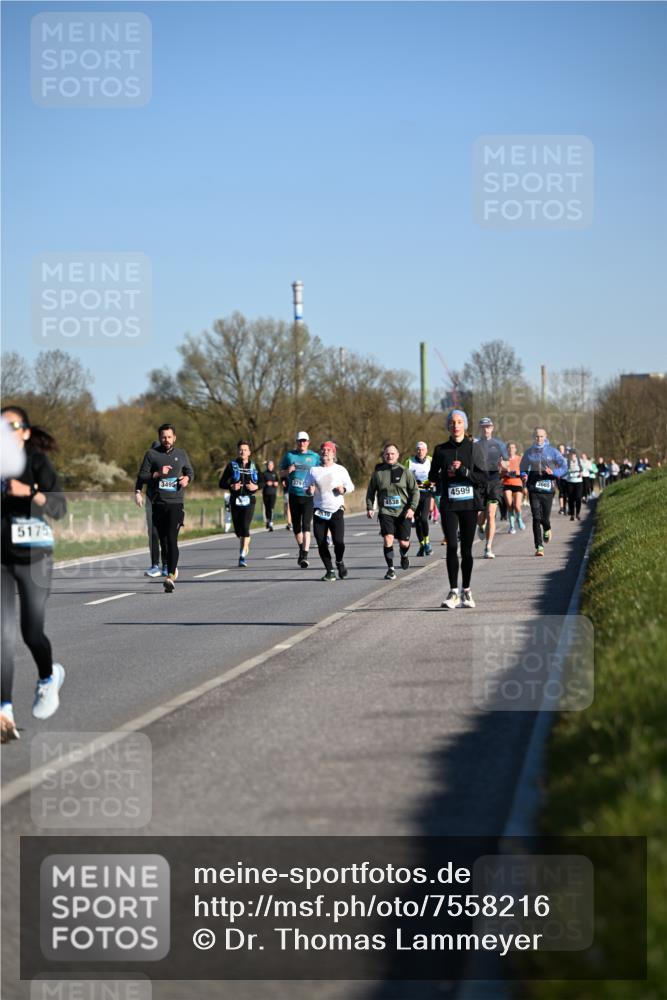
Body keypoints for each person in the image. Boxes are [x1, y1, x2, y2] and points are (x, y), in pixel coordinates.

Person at [1, 406, 67, 743]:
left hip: (34, 558)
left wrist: (29, 492)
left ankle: (47, 677)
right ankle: (5, 712)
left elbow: (59, 507)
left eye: (12, 426)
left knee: (30, 632)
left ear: (25, 431)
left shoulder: (37, 461)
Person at [429, 409, 484, 608]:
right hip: (449, 505)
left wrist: (463, 471)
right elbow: (432, 477)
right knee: (452, 546)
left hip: (469, 505)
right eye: (452, 422)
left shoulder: (474, 449)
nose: (456, 425)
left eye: (459, 422)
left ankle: (466, 591)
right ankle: (453, 592)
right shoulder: (440, 449)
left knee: (467, 550)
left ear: (465, 425)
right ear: (448, 426)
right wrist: (446, 473)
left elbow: (482, 479)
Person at [136, 423, 193, 593]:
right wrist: (157, 474)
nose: (166, 440)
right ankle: (167, 566)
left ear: (174, 437)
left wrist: (187, 479)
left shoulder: (181, 454)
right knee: (163, 540)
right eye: (163, 437)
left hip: (176, 502)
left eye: (169, 437)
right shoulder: (152, 454)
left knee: (172, 538)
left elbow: (190, 471)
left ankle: (170, 576)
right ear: (159, 437)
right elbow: (142, 475)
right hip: (158, 503)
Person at [366, 444, 419, 580]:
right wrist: (370, 507)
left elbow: (415, 491)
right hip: (386, 512)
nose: (389, 456)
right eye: (387, 454)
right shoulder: (378, 473)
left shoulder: (405, 472)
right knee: (388, 538)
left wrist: (412, 508)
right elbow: (371, 491)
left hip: (403, 512)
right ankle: (390, 569)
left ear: (398, 455)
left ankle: (404, 554)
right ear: (383, 456)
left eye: (392, 454)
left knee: (403, 543)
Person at [304, 441, 355, 581]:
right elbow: (305, 487)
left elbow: (351, 486)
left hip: (336, 510)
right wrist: (309, 490)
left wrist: (343, 490)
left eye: (328, 450)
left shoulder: (340, 470)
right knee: (321, 543)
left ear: (333, 454)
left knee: (339, 542)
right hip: (319, 511)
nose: (325, 452)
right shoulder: (313, 470)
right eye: (323, 450)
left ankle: (339, 561)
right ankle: (330, 570)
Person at [520, 427, 567, 556]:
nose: (539, 439)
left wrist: (555, 472)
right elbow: (523, 467)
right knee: (536, 517)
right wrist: (523, 475)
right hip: (533, 487)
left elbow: (564, 467)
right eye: (536, 436)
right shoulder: (529, 452)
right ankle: (539, 546)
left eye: (541, 436)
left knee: (544, 518)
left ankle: (547, 527)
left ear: (545, 437)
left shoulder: (553, 452)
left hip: (548, 488)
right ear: (533, 437)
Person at [279, 431, 320, 568]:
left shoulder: (314, 457)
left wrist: (314, 486)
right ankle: (302, 548)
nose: (302, 443)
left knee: (306, 526)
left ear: (308, 442)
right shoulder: (289, 455)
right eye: (299, 441)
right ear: (296, 442)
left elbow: (321, 473)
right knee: (297, 528)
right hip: (294, 495)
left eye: (304, 441)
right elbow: (280, 473)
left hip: (308, 496)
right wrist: (287, 472)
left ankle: (305, 555)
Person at [219, 441, 260, 566]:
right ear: (238, 451)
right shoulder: (232, 465)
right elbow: (221, 483)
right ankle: (245, 541)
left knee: (245, 528)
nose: (243, 452)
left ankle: (242, 556)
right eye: (240, 449)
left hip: (249, 500)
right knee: (238, 531)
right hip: (235, 500)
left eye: (245, 449)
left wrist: (256, 486)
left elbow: (263, 481)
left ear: (249, 452)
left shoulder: (254, 466)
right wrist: (231, 486)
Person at [474, 417, 508, 559]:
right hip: (479, 483)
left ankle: (488, 547)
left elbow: (506, 464)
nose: (486, 429)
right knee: (480, 517)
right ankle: (481, 526)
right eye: (483, 427)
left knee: (491, 514)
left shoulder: (499, 444)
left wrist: (503, 466)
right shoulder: (475, 444)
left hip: (494, 482)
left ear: (492, 428)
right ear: (480, 429)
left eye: (488, 427)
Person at [134, 440, 166, 577]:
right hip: (151, 501)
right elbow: (140, 478)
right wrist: (137, 493)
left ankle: (166, 564)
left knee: (165, 534)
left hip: (166, 502)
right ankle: (154, 565)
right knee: (153, 533)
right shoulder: (148, 466)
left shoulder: (168, 462)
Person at [404, 441, 435, 556]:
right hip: (414, 496)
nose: (420, 451)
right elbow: (403, 478)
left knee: (423, 519)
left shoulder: (431, 460)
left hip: (427, 494)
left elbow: (437, 476)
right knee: (417, 521)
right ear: (415, 450)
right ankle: (422, 545)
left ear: (426, 450)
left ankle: (427, 542)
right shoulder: (409, 462)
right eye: (418, 449)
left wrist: (430, 483)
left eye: (422, 449)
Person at [501, 442, 525, 533]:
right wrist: (504, 472)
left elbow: (521, 472)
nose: (511, 449)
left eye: (513, 447)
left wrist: (511, 473)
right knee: (510, 506)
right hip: (507, 484)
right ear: (507, 449)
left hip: (518, 484)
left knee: (517, 506)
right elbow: (500, 473)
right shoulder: (503, 460)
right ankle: (511, 526)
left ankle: (519, 519)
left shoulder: (520, 459)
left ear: (515, 449)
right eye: (509, 447)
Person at [564, 449, 584, 521]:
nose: (572, 456)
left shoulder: (579, 461)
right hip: (570, 482)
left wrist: (581, 472)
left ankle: (577, 514)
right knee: (571, 499)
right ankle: (572, 514)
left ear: (575, 455)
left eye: (573, 455)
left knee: (578, 498)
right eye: (571, 455)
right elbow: (564, 470)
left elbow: (583, 468)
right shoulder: (567, 462)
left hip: (578, 482)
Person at [260, 459, 279, 531]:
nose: (270, 466)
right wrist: (266, 483)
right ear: (267, 466)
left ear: (273, 466)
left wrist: (276, 483)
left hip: (273, 493)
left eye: (271, 465)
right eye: (269, 465)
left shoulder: (275, 473)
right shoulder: (264, 474)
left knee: (271, 508)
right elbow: (261, 483)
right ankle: (268, 520)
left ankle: (271, 522)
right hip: (266, 493)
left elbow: (277, 481)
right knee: (267, 508)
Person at [556, 444, 568, 514]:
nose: (561, 449)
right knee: (561, 492)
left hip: (566, 477)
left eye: (562, 448)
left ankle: (565, 507)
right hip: (559, 476)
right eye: (560, 448)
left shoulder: (567, 456)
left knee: (566, 493)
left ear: (564, 449)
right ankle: (561, 508)